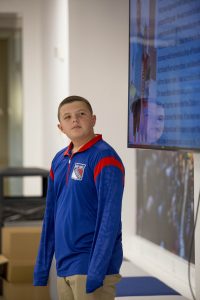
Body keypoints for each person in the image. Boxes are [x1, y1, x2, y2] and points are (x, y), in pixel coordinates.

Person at [33, 95, 125, 300]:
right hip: (64, 264)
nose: (74, 120)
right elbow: (50, 216)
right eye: (68, 117)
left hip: (92, 265)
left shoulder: (104, 157)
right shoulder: (59, 159)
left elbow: (109, 218)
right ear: (61, 127)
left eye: (81, 114)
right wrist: (42, 267)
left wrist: (96, 271)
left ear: (93, 119)